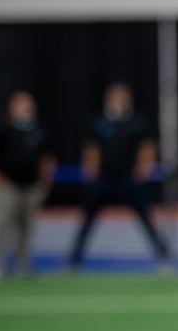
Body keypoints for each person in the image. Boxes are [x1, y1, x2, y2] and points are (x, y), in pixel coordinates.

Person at [68, 82, 169, 268]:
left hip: (128, 180)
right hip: (103, 180)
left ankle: (163, 256)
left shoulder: (137, 122)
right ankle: (74, 259)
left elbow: (147, 147)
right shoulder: (99, 122)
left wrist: (141, 171)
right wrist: (91, 172)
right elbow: (91, 148)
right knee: (87, 219)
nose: (117, 100)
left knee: (146, 218)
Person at [0, 91, 56, 279]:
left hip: (31, 186)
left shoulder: (38, 131)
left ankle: (23, 263)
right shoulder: (1, 129)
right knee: (3, 223)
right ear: (12, 107)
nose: (27, 108)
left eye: (29, 105)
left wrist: (45, 182)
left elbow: (47, 158)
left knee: (27, 226)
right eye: (22, 104)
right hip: (6, 186)